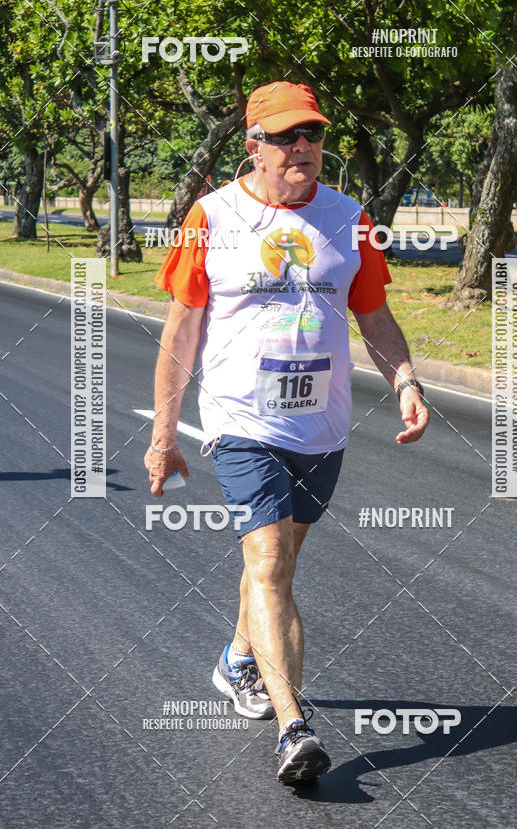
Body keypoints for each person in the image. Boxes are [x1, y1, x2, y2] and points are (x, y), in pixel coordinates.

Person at [144, 80, 429, 784]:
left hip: (322, 429)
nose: (303, 147)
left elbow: (375, 315)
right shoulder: (210, 217)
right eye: (285, 136)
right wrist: (164, 433)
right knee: (267, 560)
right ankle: (294, 732)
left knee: (276, 564)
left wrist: (406, 379)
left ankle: (238, 660)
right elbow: (180, 331)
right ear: (254, 146)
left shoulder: (351, 218)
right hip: (241, 420)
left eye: (313, 135)